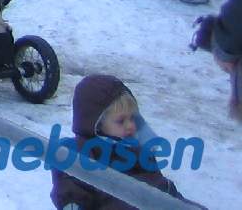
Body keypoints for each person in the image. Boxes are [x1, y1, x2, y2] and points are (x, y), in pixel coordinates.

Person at [49, 75, 198, 209]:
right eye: (121, 121)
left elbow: (161, 189)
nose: (131, 126)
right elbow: (70, 194)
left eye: (133, 118)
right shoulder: (78, 157)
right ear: (97, 126)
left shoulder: (139, 148)